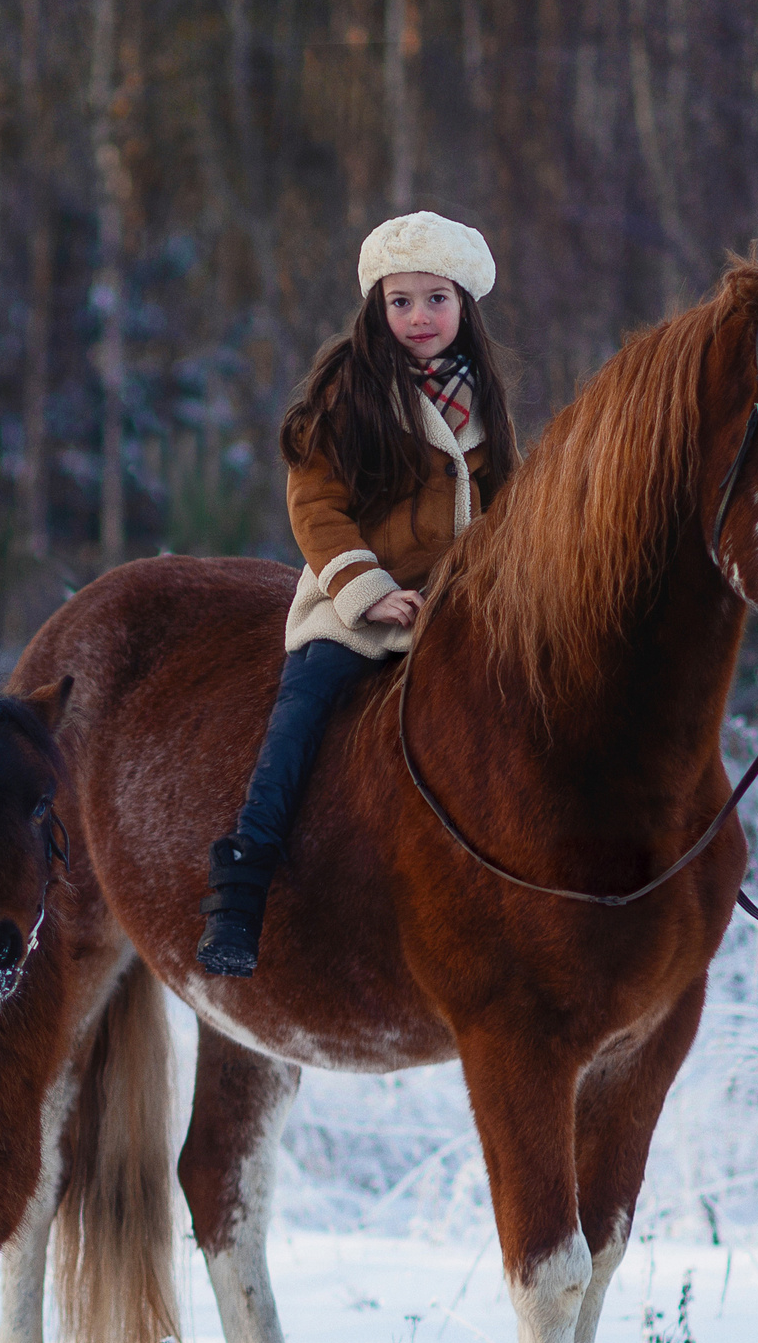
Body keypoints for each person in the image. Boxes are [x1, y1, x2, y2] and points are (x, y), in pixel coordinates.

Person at [196, 210, 520, 978]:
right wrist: (366, 589)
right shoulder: (355, 389)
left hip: (457, 611)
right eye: (400, 301)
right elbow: (317, 501)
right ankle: (244, 887)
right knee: (300, 718)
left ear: (464, 307)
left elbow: (509, 505)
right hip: (359, 610)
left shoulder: (483, 404)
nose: (418, 318)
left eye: (435, 299)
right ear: (377, 308)